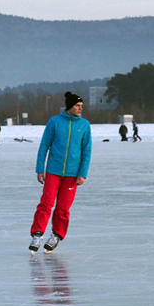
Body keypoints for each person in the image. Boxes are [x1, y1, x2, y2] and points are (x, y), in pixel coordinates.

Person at [29, 91, 92, 255]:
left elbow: (87, 152)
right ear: (70, 106)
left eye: (81, 106)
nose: (80, 109)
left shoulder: (84, 125)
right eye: (78, 106)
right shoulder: (55, 122)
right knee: (46, 203)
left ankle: (56, 235)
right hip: (53, 171)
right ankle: (37, 234)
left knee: (63, 208)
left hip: (72, 175)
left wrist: (83, 173)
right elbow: (44, 146)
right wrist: (39, 169)